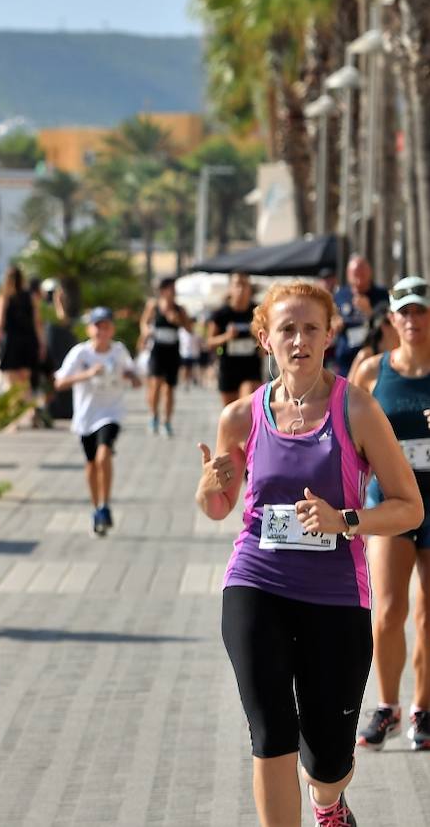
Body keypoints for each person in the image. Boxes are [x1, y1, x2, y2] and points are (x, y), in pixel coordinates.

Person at [195, 280, 421, 827]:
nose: (299, 339)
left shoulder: (358, 410)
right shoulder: (240, 417)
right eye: (287, 329)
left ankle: (328, 801)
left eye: (311, 329)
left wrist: (346, 520)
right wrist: (209, 485)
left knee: (327, 757)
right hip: (256, 581)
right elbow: (219, 507)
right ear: (266, 340)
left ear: (328, 336)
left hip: (335, 595)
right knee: (271, 732)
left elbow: (408, 506)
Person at [352, 277, 430, 751]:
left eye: (420, 311)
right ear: (391, 319)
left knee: (427, 616)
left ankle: (423, 709)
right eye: (404, 311)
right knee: (387, 611)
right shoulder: (371, 371)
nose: (412, 320)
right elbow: (345, 432)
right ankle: (387, 708)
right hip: (391, 501)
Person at [54, 306, 142, 536]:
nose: (102, 331)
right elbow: (59, 383)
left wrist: (131, 377)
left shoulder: (119, 351)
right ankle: (97, 509)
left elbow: (134, 375)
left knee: (104, 455)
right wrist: (88, 374)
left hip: (111, 413)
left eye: (106, 326)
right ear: (89, 329)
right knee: (91, 463)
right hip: (85, 416)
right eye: (97, 326)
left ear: (112, 329)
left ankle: (105, 503)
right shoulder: (81, 354)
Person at [140, 276, 193, 437]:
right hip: (157, 349)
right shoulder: (153, 306)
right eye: (171, 288)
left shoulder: (179, 309)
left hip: (172, 350)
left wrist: (178, 321)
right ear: (163, 291)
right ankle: (154, 415)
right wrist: (146, 332)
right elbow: (143, 322)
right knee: (155, 384)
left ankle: (167, 421)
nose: (174, 292)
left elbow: (190, 329)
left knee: (169, 388)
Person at [209, 273, 265, 406]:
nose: (241, 289)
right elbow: (210, 342)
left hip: (251, 368)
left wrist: (259, 339)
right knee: (231, 413)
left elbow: (269, 337)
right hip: (228, 368)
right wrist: (226, 337)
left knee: (248, 407)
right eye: (237, 285)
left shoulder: (257, 311)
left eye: (244, 285)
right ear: (230, 288)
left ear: (250, 289)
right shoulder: (221, 314)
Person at [333, 254, 390, 377]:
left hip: (373, 358)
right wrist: (335, 322)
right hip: (345, 360)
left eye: (362, 275)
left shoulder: (381, 295)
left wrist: (369, 312)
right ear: (348, 275)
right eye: (355, 275)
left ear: (370, 273)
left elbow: (389, 326)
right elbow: (330, 319)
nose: (358, 280)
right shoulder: (340, 295)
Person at [0, 265, 43, 402]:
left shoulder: (3, 298)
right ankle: (29, 411)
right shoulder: (30, 297)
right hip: (28, 341)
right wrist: (41, 344)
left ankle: (15, 414)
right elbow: (37, 322)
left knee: (11, 382)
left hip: (11, 341)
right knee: (25, 380)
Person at [348, 304, 398, 380]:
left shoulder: (399, 356)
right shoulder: (366, 356)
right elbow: (347, 389)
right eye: (394, 322)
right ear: (384, 326)